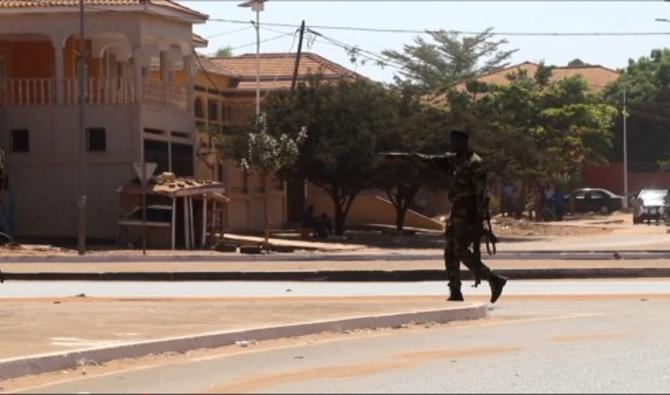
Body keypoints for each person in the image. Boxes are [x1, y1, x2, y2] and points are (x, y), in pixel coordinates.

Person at [384, 129, 507, 303]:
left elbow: (480, 195)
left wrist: (480, 222)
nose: (450, 145)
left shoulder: (475, 164)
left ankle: (493, 279)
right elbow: (427, 159)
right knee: (449, 251)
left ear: (462, 143)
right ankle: (455, 290)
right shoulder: (453, 159)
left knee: (460, 251)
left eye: (453, 142)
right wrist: (402, 157)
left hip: (468, 214)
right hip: (456, 212)